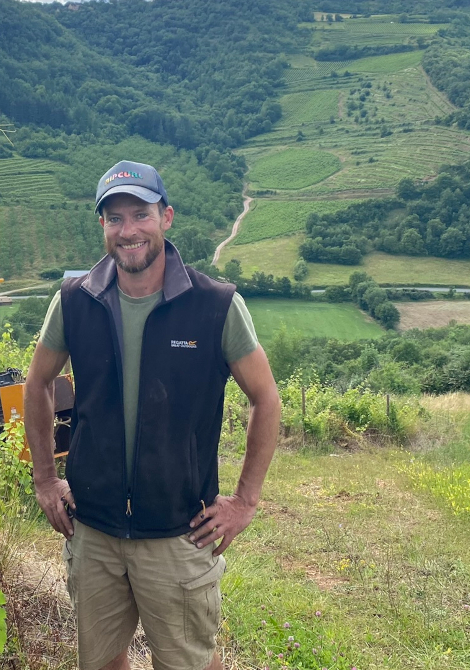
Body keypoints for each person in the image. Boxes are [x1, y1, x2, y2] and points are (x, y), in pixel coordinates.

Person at [23, 160, 281, 670]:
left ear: (166, 217)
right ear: (102, 227)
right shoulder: (75, 301)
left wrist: (246, 501)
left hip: (179, 531)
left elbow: (266, 399)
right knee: (100, 660)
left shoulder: (215, 305)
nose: (128, 231)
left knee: (187, 662)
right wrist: (45, 478)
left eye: (139, 214)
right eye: (114, 218)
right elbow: (38, 382)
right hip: (93, 529)